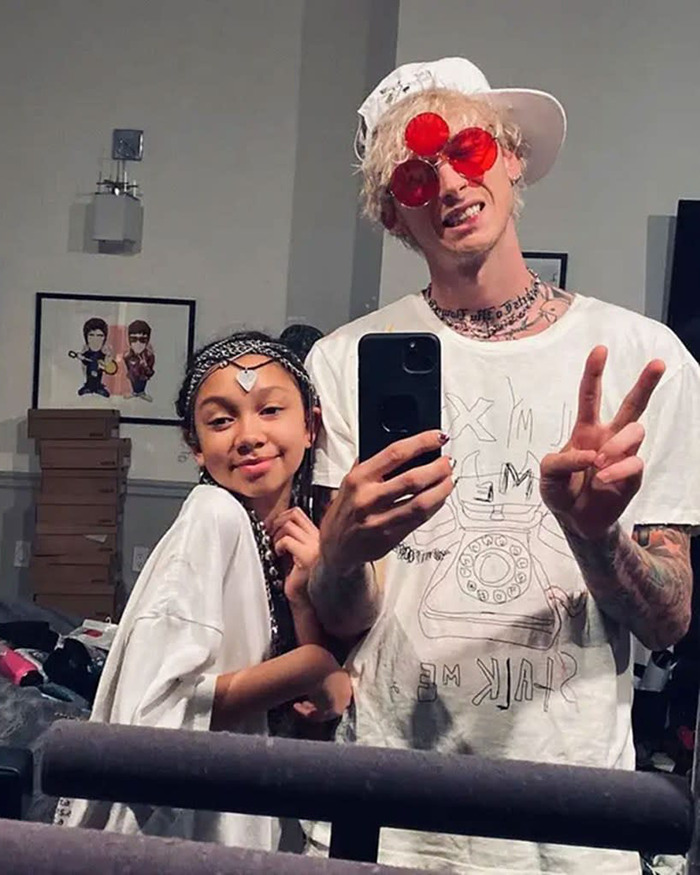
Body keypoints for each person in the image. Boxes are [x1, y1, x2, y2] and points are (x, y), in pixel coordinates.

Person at [304, 57, 700, 873]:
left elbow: (669, 620)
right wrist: (339, 553)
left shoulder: (642, 357)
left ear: (512, 159)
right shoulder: (344, 362)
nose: (447, 182)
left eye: (469, 151)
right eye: (414, 175)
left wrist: (594, 536)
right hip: (391, 813)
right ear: (392, 215)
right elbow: (346, 620)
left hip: (571, 823)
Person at [56, 330, 351, 850]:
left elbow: (308, 719)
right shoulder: (213, 516)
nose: (248, 435)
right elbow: (151, 718)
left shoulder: (296, 539)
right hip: (182, 836)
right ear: (195, 448)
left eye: (269, 411)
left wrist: (304, 596)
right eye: (220, 420)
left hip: (255, 822)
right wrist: (314, 669)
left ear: (310, 426)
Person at [123, 318, 155, 401]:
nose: (138, 344)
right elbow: (127, 367)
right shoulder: (128, 356)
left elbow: (150, 372)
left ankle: (141, 393)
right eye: (133, 339)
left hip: (143, 377)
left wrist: (145, 366)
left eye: (142, 340)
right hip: (133, 377)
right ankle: (135, 392)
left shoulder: (149, 356)